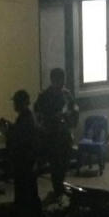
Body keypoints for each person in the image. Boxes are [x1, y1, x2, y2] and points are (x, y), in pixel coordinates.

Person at [34, 68, 79, 199]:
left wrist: (71, 115)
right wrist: (51, 119)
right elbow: (38, 113)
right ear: (54, 80)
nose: (62, 83)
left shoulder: (66, 94)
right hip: (52, 135)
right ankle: (57, 188)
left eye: (63, 80)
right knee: (55, 163)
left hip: (65, 133)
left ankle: (60, 185)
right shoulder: (45, 95)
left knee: (64, 162)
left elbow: (74, 107)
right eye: (60, 80)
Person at [3, 90, 42, 217]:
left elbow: (20, 137)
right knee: (28, 187)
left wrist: (8, 131)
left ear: (21, 103)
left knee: (24, 187)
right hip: (26, 157)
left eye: (15, 102)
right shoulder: (26, 117)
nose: (14, 104)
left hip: (24, 158)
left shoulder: (26, 118)